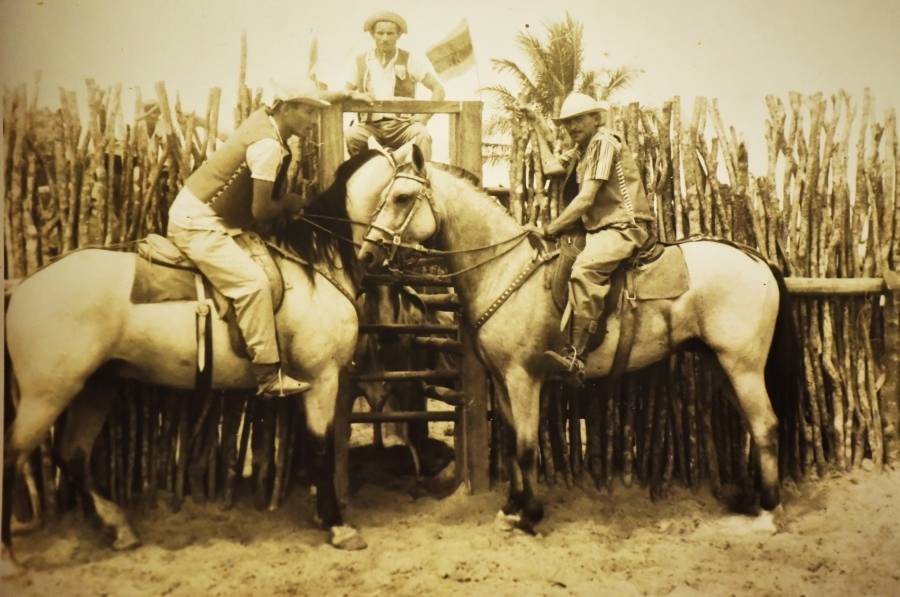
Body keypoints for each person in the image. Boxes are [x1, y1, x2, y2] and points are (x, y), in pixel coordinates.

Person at [166, 88, 329, 398]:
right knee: (253, 284)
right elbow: (260, 211)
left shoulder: (265, 122)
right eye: (308, 111)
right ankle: (268, 376)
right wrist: (289, 202)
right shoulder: (267, 145)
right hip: (197, 224)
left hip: (216, 221)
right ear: (284, 108)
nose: (313, 120)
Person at [529, 93, 656, 379]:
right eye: (566, 123)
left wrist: (550, 229)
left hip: (624, 225)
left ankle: (576, 354)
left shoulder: (603, 143)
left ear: (596, 118)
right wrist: (536, 123)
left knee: (584, 270)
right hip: (601, 229)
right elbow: (552, 168)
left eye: (577, 120)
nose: (571, 127)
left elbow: (586, 199)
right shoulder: (582, 149)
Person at [344, 10, 445, 160]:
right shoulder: (361, 61)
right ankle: (363, 172)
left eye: (390, 33)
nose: (385, 38)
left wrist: (424, 117)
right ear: (372, 35)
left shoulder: (409, 59)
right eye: (380, 33)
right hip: (370, 126)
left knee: (422, 135)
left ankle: (422, 174)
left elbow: (438, 89)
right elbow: (345, 92)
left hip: (402, 126)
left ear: (398, 35)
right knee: (351, 135)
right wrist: (356, 95)